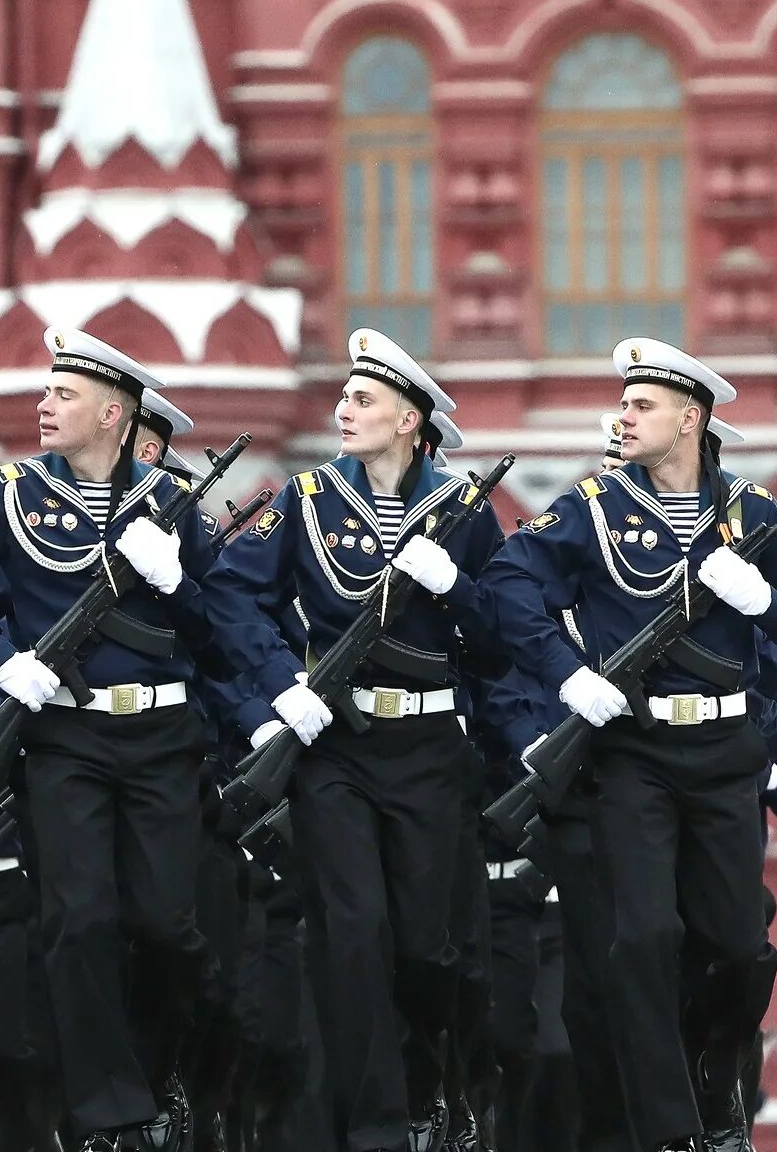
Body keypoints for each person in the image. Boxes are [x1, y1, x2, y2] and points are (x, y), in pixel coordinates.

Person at [480, 338, 777, 1152]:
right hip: (633, 755)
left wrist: (763, 597)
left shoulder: (748, 511)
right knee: (641, 941)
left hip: (726, 752)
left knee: (739, 949)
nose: (623, 417)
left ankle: (717, 1080)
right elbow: (509, 583)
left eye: (642, 406)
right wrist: (568, 674)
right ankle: (672, 1131)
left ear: (689, 419)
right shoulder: (592, 506)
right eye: (623, 404)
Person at [0, 326, 217, 1152]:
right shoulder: (8, 492)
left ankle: (156, 1072)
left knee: (166, 927)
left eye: (63, 396)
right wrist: (0, 658)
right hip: (65, 737)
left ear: (113, 413)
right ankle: (110, 1115)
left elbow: (225, 620)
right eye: (46, 392)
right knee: (77, 922)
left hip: (160, 733)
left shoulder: (174, 504)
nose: (43, 406)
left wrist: (178, 580)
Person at [201, 328, 507, 1152]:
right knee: (356, 932)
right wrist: (282, 688)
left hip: (431, 750)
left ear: (410, 420)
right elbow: (232, 598)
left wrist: (458, 589)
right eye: (343, 396)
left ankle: (436, 1089)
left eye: (363, 400)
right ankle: (381, 1127)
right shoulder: (304, 499)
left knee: (427, 948)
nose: (343, 409)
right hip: (335, 745)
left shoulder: (465, 511)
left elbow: (507, 635)